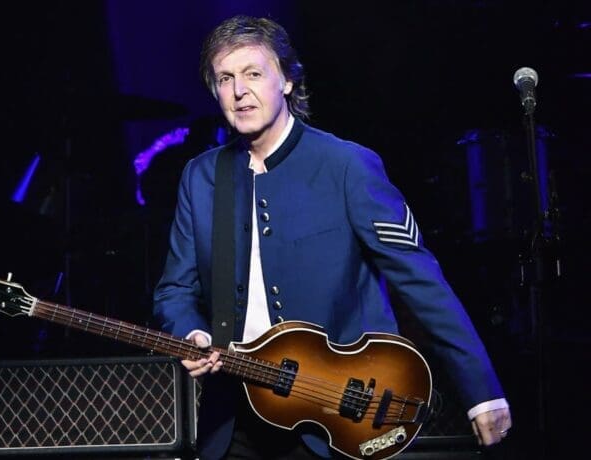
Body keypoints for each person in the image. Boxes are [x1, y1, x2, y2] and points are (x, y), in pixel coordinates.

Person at [153, 14, 512, 460]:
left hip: (334, 420)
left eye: (253, 74)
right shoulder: (202, 176)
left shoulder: (347, 166)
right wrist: (191, 331)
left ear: (286, 81)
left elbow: (422, 283)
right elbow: (175, 289)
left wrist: (482, 390)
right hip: (234, 421)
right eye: (225, 78)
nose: (239, 91)